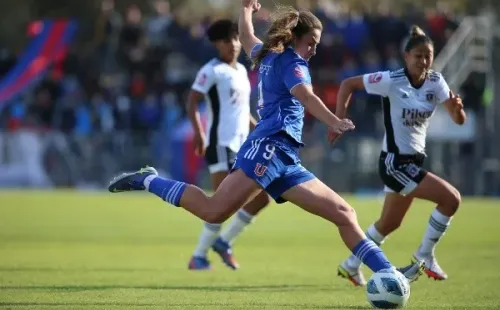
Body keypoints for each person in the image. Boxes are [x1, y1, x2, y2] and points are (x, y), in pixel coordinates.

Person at [108, 0, 423, 283]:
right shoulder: (293, 64)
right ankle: (148, 180)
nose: (314, 49)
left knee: (344, 213)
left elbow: (246, 38)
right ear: (296, 39)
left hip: (284, 156)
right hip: (268, 147)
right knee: (213, 210)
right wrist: (334, 121)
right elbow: (307, 96)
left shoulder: (268, 54)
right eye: (311, 43)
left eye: (317, 44)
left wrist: (245, 10)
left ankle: (387, 273)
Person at [334, 25, 465, 286]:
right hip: (395, 163)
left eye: (428, 55)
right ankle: (424, 254)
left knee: (388, 224)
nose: (424, 61)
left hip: (414, 162)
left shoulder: (436, 82)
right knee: (451, 200)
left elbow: (458, 119)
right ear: (406, 57)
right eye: (418, 55)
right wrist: (338, 119)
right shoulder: (391, 80)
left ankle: (350, 265)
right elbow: (348, 84)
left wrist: (457, 109)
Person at [185, 19, 270, 270]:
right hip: (221, 144)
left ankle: (222, 243)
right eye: (226, 40)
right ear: (216, 44)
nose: (232, 44)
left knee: (261, 199)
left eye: (235, 39)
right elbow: (191, 101)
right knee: (220, 205)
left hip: (243, 146)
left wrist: (260, 131)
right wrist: (199, 133)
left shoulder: (242, 72)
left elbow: (243, 111)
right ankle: (198, 256)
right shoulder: (211, 70)